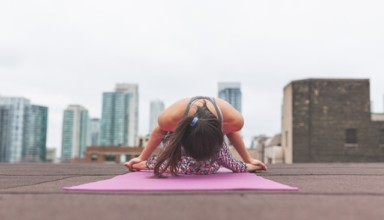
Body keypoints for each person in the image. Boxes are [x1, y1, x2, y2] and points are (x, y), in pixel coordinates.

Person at [124, 96, 267, 177]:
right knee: (185, 166)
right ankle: (151, 164)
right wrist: (142, 158)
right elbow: (159, 132)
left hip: (212, 144)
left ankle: (151, 164)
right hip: (178, 140)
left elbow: (232, 132)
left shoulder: (233, 120)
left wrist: (248, 161)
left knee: (202, 167)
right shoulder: (170, 118)